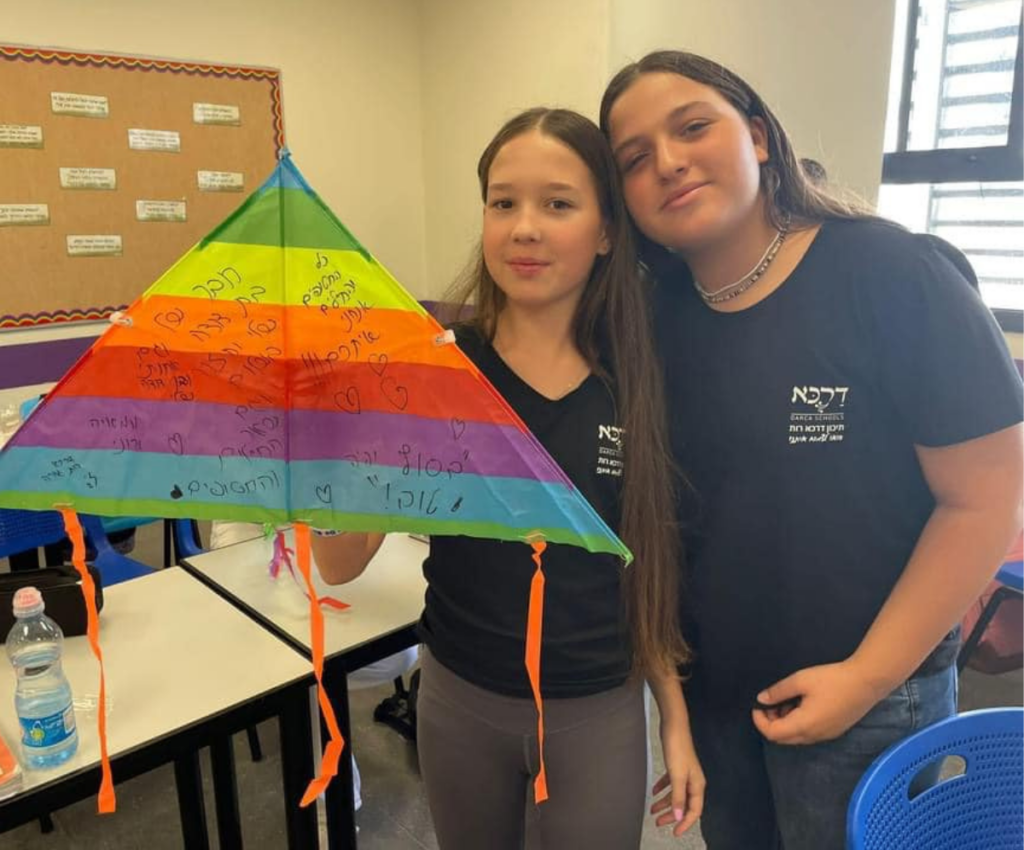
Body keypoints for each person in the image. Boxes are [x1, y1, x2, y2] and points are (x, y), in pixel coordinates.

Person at [600, 50, 1024, 850]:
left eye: (693, 127)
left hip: (872, 698)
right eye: (633, 158)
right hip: (722, 692)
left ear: (758, 135)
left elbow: (984, 499)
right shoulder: (652, 321)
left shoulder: (894, 273)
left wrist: (864, 678)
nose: (668, 162)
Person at [312, 107, 704, 849]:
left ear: (607, 231)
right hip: (460, 699)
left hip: (596, 709)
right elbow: (338, 559)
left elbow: (650, 569)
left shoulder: (638, 381)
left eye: (558, 203)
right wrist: (326, 453)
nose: (524, 226)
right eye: (503, 202)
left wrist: (675, 723)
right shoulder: (437, 370)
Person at [208, 520, 417, 812]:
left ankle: (298, 692)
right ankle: (329, 813)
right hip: (252, 526)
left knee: (398, 653)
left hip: (321, 518)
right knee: (302, 667)